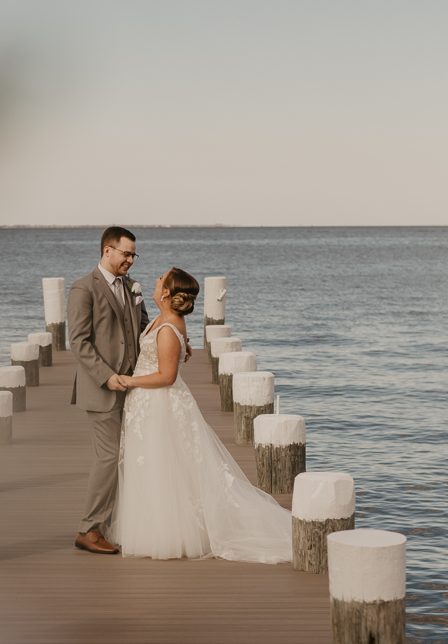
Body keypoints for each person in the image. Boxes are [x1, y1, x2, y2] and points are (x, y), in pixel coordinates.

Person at [108, 268, 292, 562]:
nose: (155, 282)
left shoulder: (168, 328)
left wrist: (128, 380)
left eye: (160, 280)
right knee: (156, 465)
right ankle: (154, 527)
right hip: (148, 403)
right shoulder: (165, 321)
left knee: (161, 465)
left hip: (159, 402)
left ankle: (165, 535)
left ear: (166, 292)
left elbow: (167, 376)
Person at [67, 227, 153, 553]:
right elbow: (78, 341)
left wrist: (173, 337)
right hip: (101, 389)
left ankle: (111, 523)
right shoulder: (83, 288)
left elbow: (143, 328)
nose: (130, 260)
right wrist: (106, 376)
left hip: (132, 386)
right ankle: (88, 530)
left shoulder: (133, 287)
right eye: (125, 253)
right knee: (109, 457)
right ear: (107, 251)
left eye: (134, 255)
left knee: (126, 457)